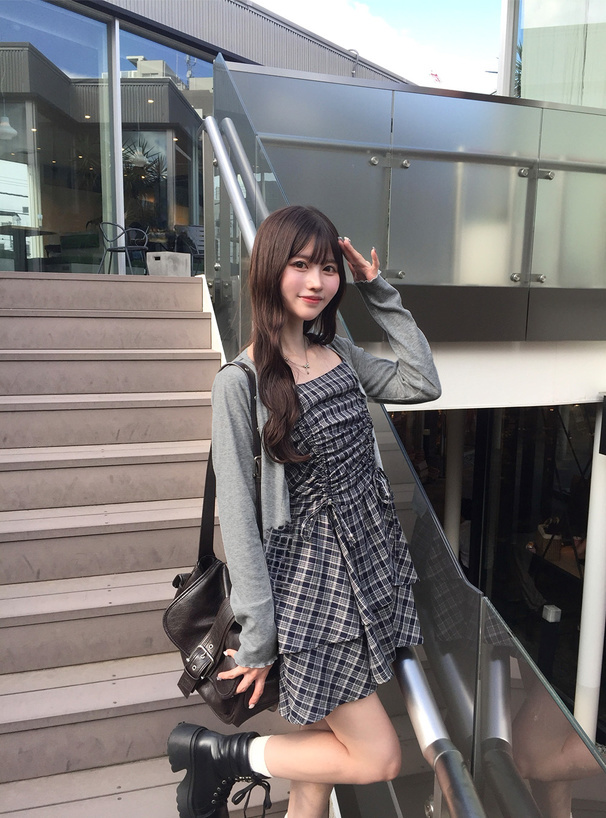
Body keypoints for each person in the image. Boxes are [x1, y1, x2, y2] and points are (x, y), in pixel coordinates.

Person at [167, 205, 441, 818]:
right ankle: (222, 755)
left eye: (327, 268)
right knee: (377, 757)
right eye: (300, 265)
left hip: (368, 571)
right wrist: (260, 636)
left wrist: (377, 288)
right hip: (312, 596)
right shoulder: (239, 383)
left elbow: (422, 382)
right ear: (271, 269)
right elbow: (239, 519)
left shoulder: (335, 348)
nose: (317, 282)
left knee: (320, 766)